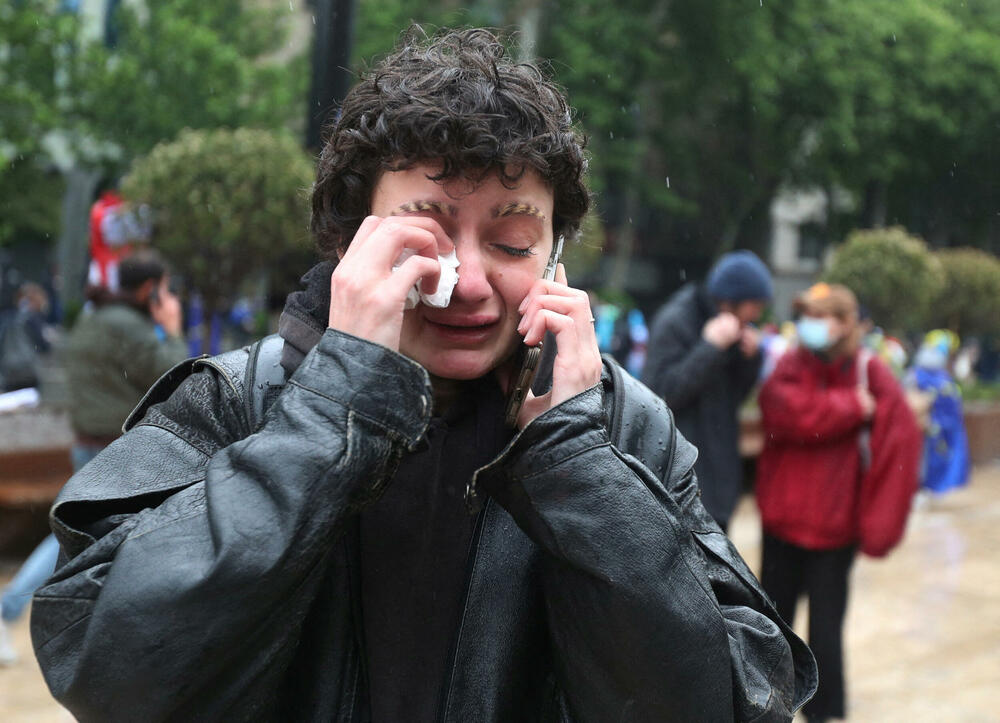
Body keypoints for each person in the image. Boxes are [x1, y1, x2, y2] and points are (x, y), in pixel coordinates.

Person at [31, 28, 815, 721]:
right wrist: (336, 402)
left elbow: (732, 699)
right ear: (349, 236)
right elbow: (112, 673)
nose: (468, 281)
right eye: (424, 232)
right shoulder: (234, 402)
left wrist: (576, 464)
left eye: (511, 243)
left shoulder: (626, 429)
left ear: (555, 258)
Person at [0, 251, 186, 664]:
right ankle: (7, 608)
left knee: (88, 536)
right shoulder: (132, 328)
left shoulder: (93, 318)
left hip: (90, 441)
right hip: (116, 450)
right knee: (77, 536)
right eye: (165, 287)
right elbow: (176, 376)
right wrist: (172, 329)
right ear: (149, 289)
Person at [756, 283, 921, 722]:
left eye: (820, 314)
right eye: (806, 314)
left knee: (825, 634)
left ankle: (824, 711)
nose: (809, 324)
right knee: (774, 626)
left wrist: (880, 521)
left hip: (835, 528)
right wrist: (849, 406)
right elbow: (783, 410)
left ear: (847, 323)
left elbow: (900, 441)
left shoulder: (871, 371)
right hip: (783, 521)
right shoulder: (792, 363)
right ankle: (768, 705)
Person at [642, 250, 772, 530]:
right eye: (755, 305)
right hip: (679, 477)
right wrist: (710, 348)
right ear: (731, 300)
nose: (757, 314)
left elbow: (733, 397)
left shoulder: (735, 327)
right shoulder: (676, 321)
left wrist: (752, 359)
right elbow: (660, 396)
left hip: (719, 472)